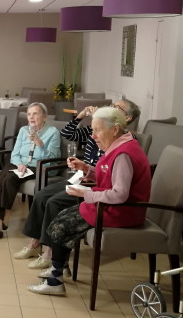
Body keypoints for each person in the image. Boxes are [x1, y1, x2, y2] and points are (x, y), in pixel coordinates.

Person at [28, 106, 151, 296]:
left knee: (60, 224)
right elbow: (108, 174)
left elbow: (120, 194)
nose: (93, 136)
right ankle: (58, 270)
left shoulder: (124, 153)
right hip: (108, 205)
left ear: (115, 130)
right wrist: (87, 168)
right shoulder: (119, 145)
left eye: (97, 130)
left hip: (120, 211)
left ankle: (55, 279)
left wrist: (86, 195)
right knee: (60, 218)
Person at [14, 99, 141, 270]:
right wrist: (81, 117)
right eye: (112, 106)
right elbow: (68, 134)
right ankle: (34, 242)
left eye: (117, 108)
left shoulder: (119, 141)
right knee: (42, 194)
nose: (94, 135)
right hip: (85, 175)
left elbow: (112, 177)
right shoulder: (99, 130)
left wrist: (101, 121)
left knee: (55, 202)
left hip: (96, 184)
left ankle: (49, 253)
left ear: (125, 119)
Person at [0, 102, 60, 239]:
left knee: (10, 178)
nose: (31, 117)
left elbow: (52, 158)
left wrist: (40, 144)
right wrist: (19, 164)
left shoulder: (53, 133)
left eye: (35, 113)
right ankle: (2, 218)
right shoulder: (23, 130)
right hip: (21, 164)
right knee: (2, 176)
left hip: (40, 166)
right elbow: (15, 154)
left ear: (45, 117)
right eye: (29, 114)